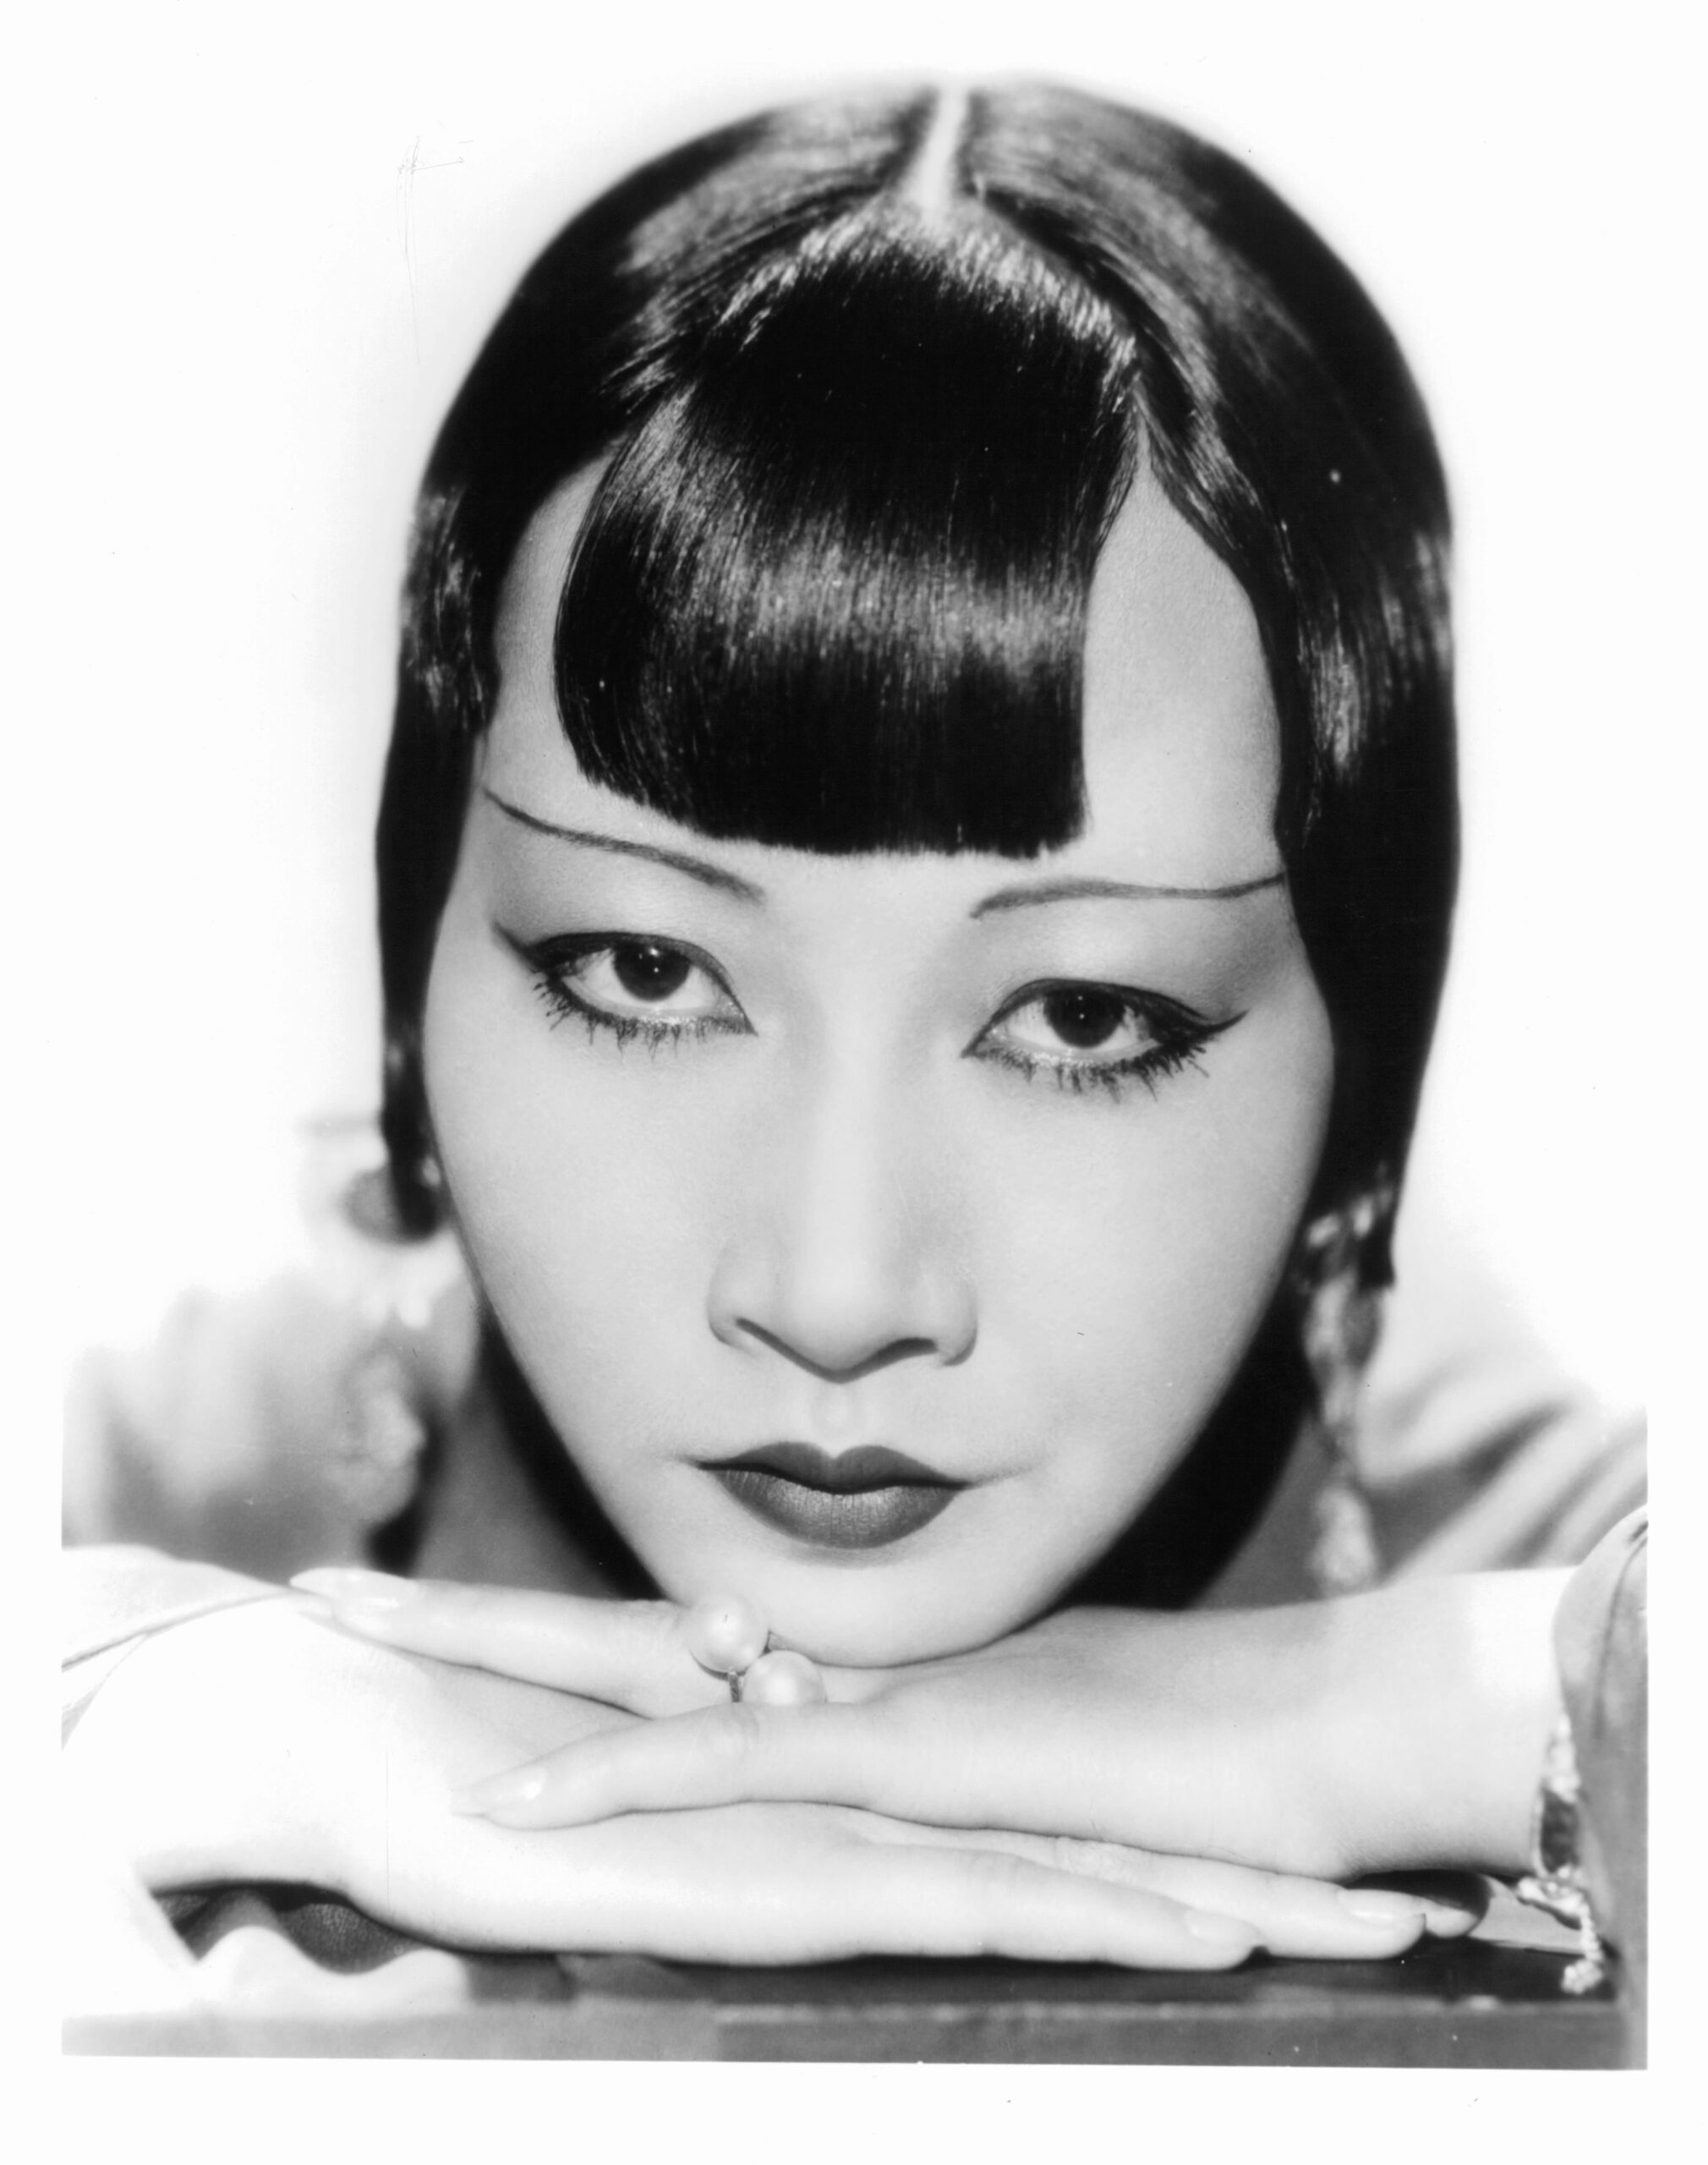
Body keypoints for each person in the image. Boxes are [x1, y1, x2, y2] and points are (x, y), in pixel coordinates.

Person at [63, 81, 1645, 2020]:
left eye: (1081, 1015)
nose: (832, 1291)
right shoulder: (147, 1491)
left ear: (1359, 1070)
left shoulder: (1547, 1540)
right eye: (644, 969)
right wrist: (118, 1722)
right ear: (416, 967)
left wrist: (1470, 1707)